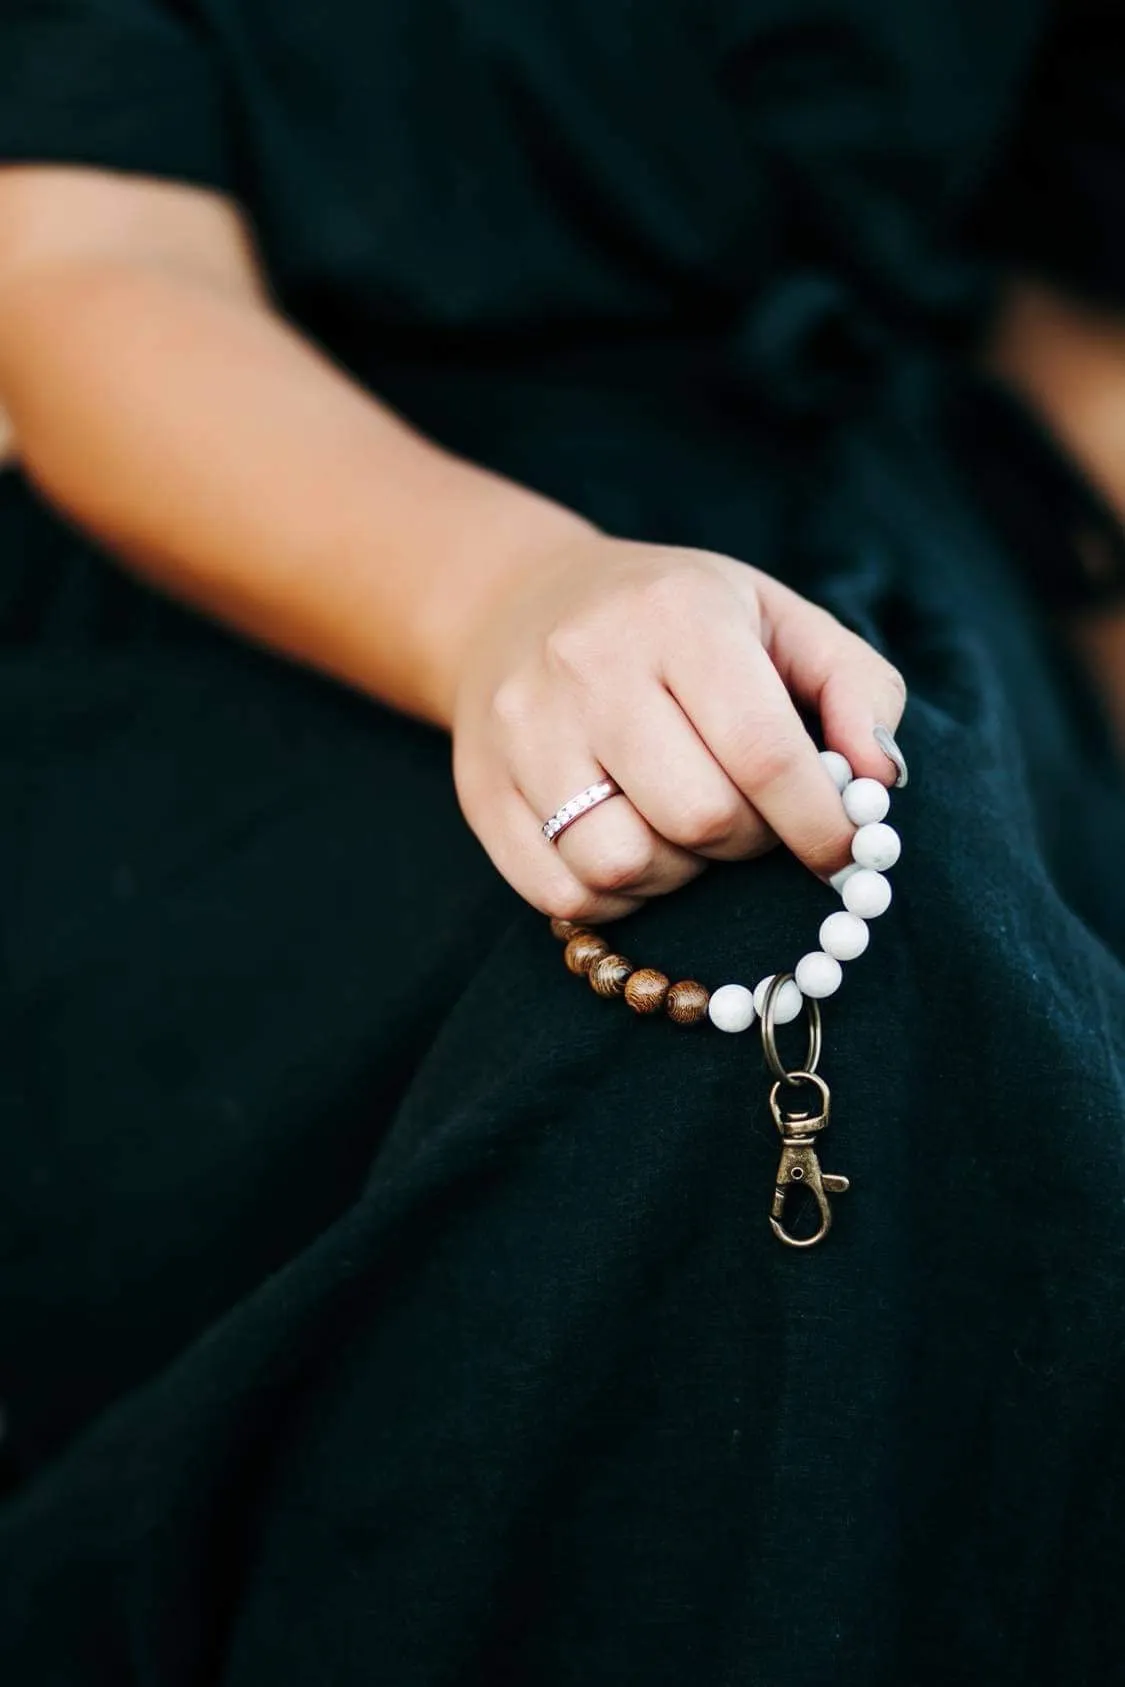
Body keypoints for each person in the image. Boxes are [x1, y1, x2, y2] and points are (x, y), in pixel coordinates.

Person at [0, 1, 1124, 1681]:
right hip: (312, 557)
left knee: (935, 952)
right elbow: (78, 270)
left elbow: (1060, 323)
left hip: (907, 557)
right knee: (753, 963)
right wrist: (510, 599)